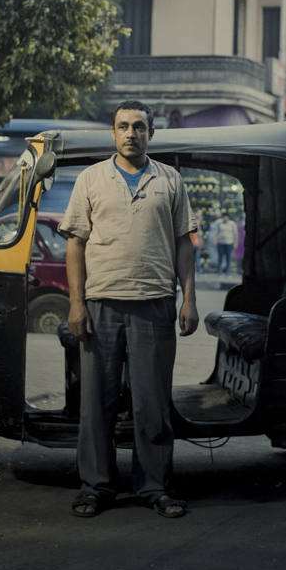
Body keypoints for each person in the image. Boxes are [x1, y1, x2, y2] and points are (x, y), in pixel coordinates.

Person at [59, 100, 198, 519]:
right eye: (123, 126)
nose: (131, 133)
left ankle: (154, 486)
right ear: (113, 133)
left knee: (151, 403)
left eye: (139, 126)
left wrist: (188, 298)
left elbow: (184, 242)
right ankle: (95, 487)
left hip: (155, 304)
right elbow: (75, 244)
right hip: (100, 305)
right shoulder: (91, 179)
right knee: (96, 402)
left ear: (150, 133)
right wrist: (76, 304)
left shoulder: (169, 180)